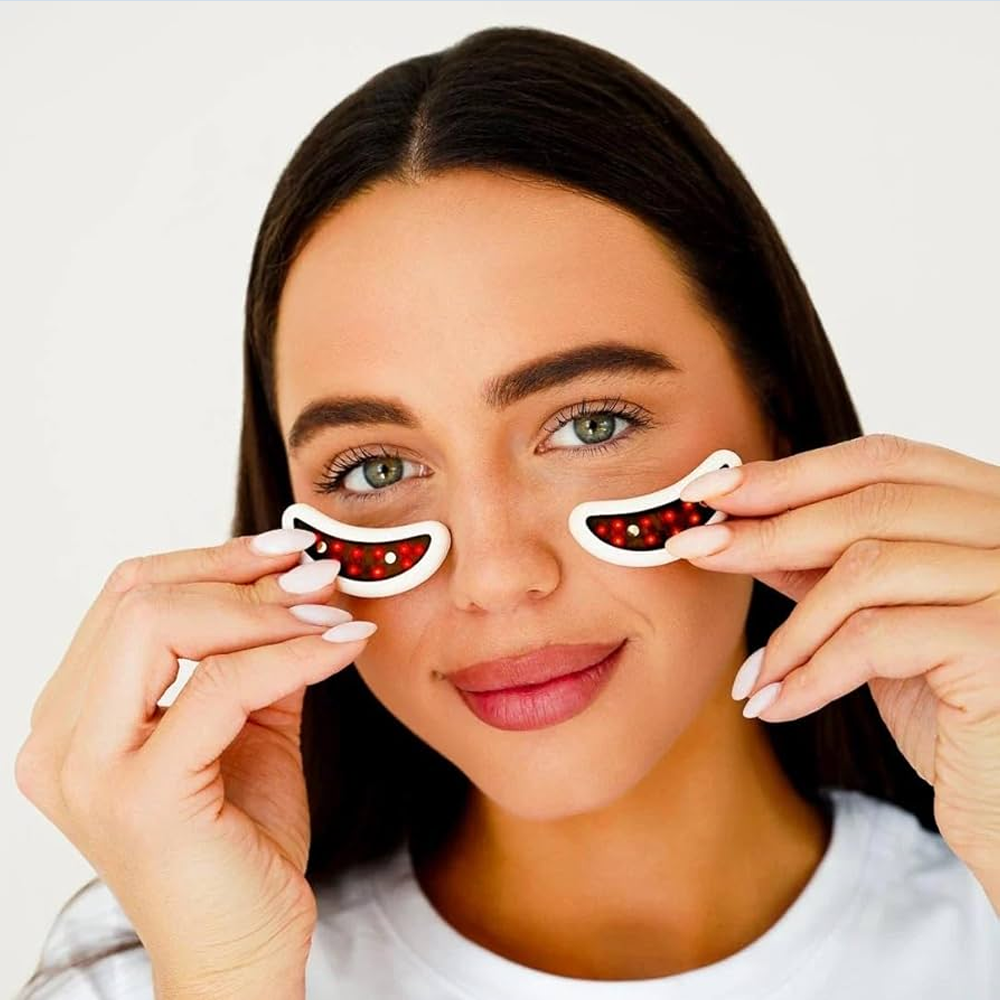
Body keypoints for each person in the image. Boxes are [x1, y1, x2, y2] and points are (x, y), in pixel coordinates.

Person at [13, 24, 999, 1000]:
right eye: (374, 467)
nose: (492, 577)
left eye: (591, 423)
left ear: (774, 413)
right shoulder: (176, 969)